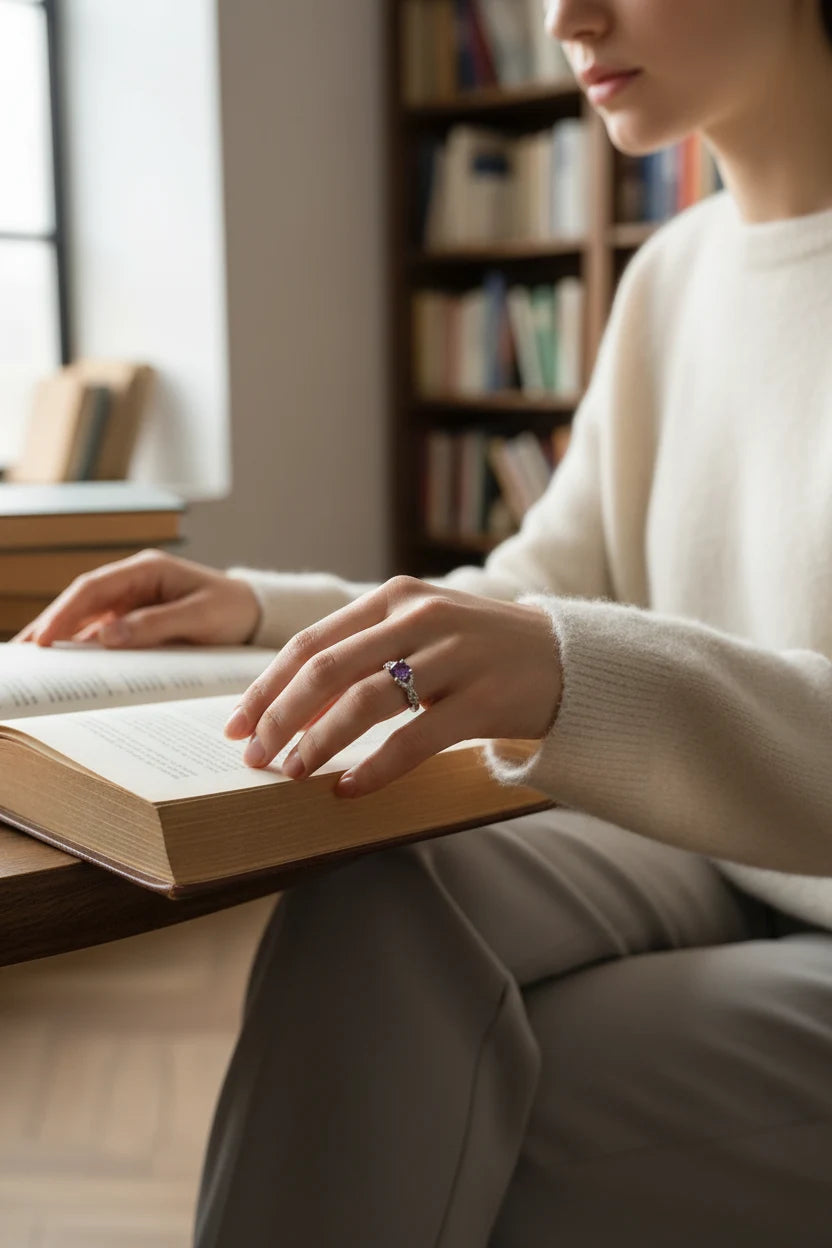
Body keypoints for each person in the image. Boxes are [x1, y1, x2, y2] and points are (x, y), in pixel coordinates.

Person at [14, 0, 832, 1242]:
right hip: (712, 852)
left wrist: (565, 668)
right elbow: (538, 591)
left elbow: (567, 646)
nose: (566, 16)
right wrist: (261, 610)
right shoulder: (674, 270)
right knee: (380, 902)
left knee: (472, 1116)